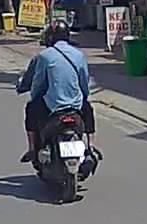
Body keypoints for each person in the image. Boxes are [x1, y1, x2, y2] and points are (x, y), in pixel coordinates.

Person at [16, 20, 97, 163]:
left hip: (53, 107)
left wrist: (34, 96)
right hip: (76, 106)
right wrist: (83, 97)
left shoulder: (44, 56)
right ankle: (90, 147)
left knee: (31, 108)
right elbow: (84, 83)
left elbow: (38, 84)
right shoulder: (79, 55)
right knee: (88, 110)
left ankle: (32, 149)